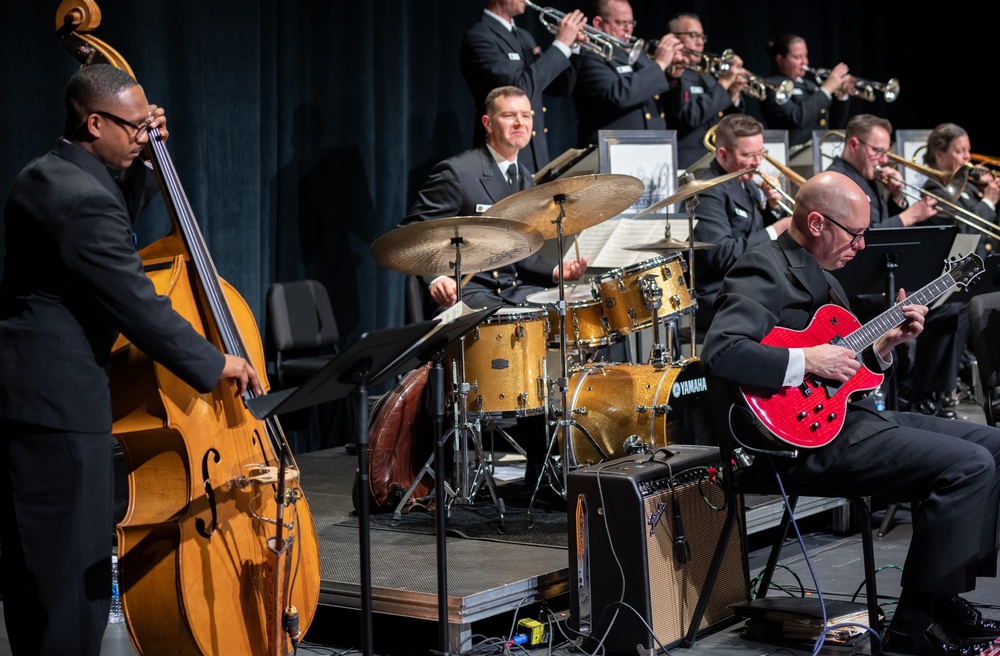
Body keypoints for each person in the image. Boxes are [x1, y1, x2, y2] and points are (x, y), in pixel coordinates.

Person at [0, 64, 262, 655]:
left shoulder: (48, 174)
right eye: (134, 126)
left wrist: (145, 158)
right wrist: (214, 361)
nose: (145, 134)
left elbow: (112, 221)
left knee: (37, 572)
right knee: (70, 577)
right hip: (60, 404)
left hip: (30, 396)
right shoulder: (82, 201)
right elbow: (135, 303)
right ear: (95, 122)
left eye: (148, 124)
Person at [701, 170, 1000, 656]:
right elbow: (721, 352)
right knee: (969, 465)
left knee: (993, 446)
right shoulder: (763, 268)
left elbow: (847, 369)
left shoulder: (824, 277)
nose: (863, 247)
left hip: (844, 420)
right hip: (796, 444)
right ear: (816, 222)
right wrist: (806, 360)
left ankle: (944, 598)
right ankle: (914, 623)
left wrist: (884, 347)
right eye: (856, 234)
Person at [401, 86, 589, 491]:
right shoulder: (459, 172)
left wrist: (557, 273)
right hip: (472, 293)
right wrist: (436, 277)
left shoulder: (523, 176)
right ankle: (528, 454)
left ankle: (542, 471)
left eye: (526, 116)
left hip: (512, 291)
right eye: (510, 116)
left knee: (560, 318)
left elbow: (518, 252)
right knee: (522, 325)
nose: (520, 123)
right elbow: (411, 234)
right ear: (488, 123)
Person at [825, 114, 959, 417]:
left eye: (887, 151)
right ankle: (914, 396)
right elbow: (863, 239)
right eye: (879, 151)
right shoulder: (841, 181)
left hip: (878, 281)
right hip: (854, 287)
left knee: (951, 306)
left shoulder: (867, 179)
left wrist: (896, 199)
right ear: (855, 144)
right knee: (940, 310)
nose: (884, 159)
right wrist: (910, 216)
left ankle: (926, 395)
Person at [690, 114, 791, 336]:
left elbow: (754, 233)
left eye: (760, 153)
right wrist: (776, 229)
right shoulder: (708, 193)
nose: (757, 162)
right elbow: (722, 255)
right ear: (723, 154)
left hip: (750, 284)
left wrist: (773, 208)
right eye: (748, 155)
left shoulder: (747, 183)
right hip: (719, 294)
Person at [460, 0, 588, 173]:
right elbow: (517, 90)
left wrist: (573, 46)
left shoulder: (524, 36)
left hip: (537, 156)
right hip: (501, 159)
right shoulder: (480, 36)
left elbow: (559, 88)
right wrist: (561, 45)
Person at [570, 0, 681, 148]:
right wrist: (659, 64)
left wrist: (674, 76)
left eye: (631, 23)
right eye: (621, 23)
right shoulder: (589, 54)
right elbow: (617, 95)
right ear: (598, 23)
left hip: (654, 147)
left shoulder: (640, 55)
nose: (628, 29)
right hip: (612, 148)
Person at [661, 12, 747, 170]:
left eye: (702, 37)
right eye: (693, 35)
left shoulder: (706, 76)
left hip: (714, 160)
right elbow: (689, 116)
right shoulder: (671, 76)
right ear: (673, 37)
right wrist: (724, 84)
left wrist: (733, 93)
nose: (700, 42)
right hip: (687, 163)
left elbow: (727, 121)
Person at [760, 33, 853, 150]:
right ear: (780, 60)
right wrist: (827, 88)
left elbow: (834, 126)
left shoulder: (810, 85)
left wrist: (841, 97)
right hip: (793, 154)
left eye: (805, 56)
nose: (805, 62)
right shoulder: (772, 85)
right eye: (797, 57)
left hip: (822, 150)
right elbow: (797, 117)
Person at [921, 122, 1000, 259]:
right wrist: (987, 201)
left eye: (968, 150)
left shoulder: (969, 186)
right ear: (939, 155)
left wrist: (989, 191)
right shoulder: (933, 190)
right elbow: (962, 232)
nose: (968, 157)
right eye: (960, 151)